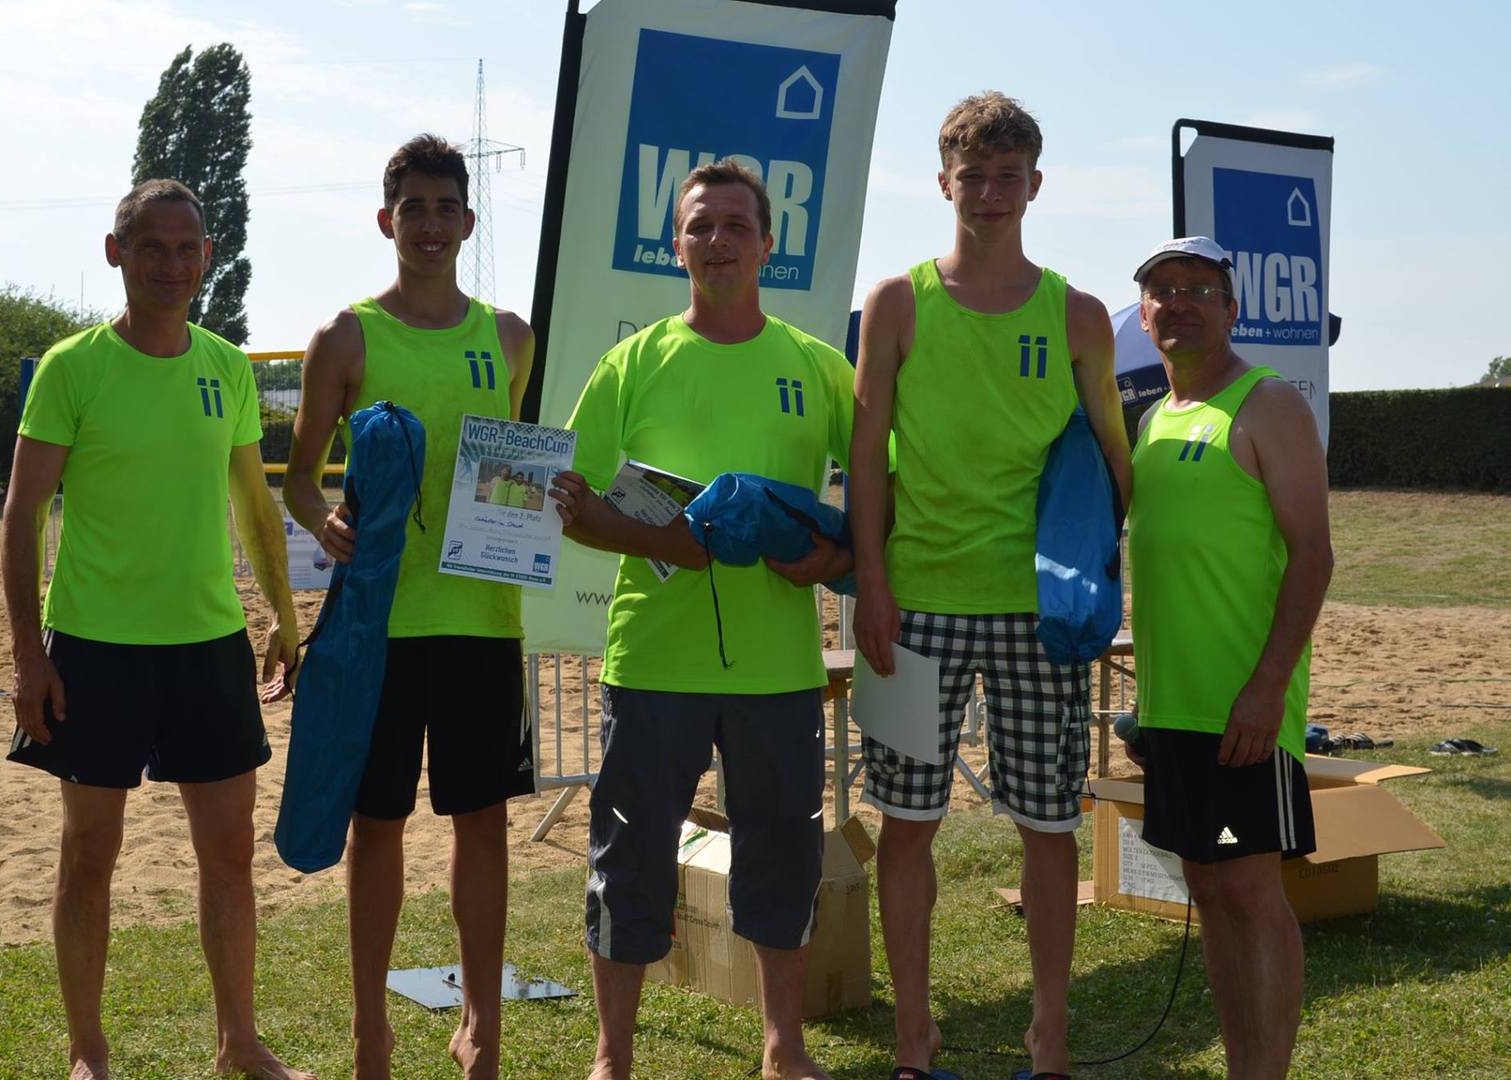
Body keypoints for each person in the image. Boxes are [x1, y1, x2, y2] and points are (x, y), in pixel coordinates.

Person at [847, 91, 1132, 1080]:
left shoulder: (1078, 315)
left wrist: (1091, 573)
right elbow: (865, 455)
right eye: (972, 176)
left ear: (1035, 185)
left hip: (1035, 615)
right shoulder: (895, 303)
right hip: (912, 607)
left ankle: (1047, 1039)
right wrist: (870, 582)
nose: (990, 193)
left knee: (1047, 829)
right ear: (943, 183)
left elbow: (1113, 461)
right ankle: (913, 1039)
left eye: (1008, 176)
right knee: (905, 827)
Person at [549, 157, 854, 1080]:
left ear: (767, 243)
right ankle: (612, 1057)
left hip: (777, 667)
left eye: (734, 225)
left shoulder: (817, 366)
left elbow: (872, 501)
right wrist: (672, 544)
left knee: (782, 856)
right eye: (699, 226)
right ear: (675, 245)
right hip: (653, 662)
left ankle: (782, 1046)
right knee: (629, 859)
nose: (717, 240)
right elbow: (573, 502)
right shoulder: (632, 363)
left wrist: (835, 560)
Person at [1, 178, 310, 1080]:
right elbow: (22, 516)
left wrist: (284, 614)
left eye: (186, 250)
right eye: (151, 248)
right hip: (93, 648)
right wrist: (26, 656)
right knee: (89, 854)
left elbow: (253, 505)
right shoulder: (73, 368)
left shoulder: (226, 367)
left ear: (206, 257)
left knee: (229, 855)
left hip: (207, 647)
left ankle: (239, 1044)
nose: (170, 266)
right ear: (116, 253)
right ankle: (89, 1052)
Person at [283, 133, 536, 1080]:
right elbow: (300, 479)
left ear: (468, 222)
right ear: (386, 220)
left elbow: (508, 468)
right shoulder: (345, 337)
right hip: (376, 628)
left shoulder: (508, 337)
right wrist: (323, 520)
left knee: (483, 824)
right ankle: (369, 1032)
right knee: (376, 826)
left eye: (445, 209)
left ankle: (481, 1024)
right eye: (413, 209)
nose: (430, 225)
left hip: (479, 620)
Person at [1125, 236, 1332, 1080]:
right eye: (1162, 290)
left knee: (1249, 892)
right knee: (1207, 892)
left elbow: (1312, 555)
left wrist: (1267, 687)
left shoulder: (1267, 403)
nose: (1178, 302)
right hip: (1172, 707)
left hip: (1243, 710)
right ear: (1143, 315)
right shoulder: (1151, 420)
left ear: (1230, 310)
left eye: (1198, 289)